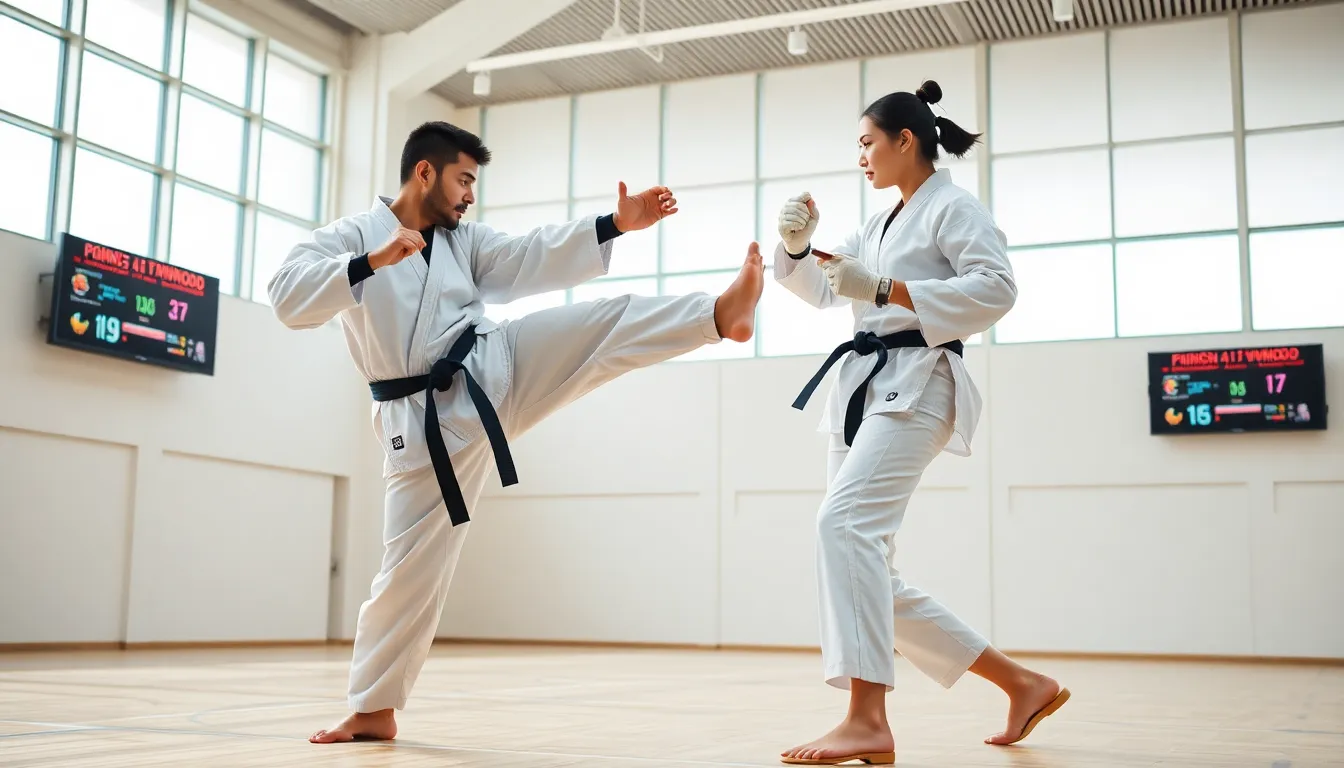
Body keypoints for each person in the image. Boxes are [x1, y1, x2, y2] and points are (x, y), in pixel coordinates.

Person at [267, 120, 764, 744]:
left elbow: (526, 257)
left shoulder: (461, 242)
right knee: (410, 568)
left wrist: (613, 226)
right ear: (426, 172)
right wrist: (372, 262)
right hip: (422, 424)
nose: (470, 195)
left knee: (598, 327)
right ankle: (374, 708)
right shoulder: (349, 237)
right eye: (463, 179)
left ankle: (718, 315)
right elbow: (287, 298)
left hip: (492, 364)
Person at [772, 81, 1067, 765]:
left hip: (920, 384)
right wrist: (796, 247)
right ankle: (1024, 684)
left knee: (842, 528)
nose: (861, 158)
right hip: (863, 388)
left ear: (907, 140)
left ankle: (866, 718)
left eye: (867, 143)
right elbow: (824, 288)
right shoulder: (878, 225)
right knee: (862, 563)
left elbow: (997, 289)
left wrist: (884, 288)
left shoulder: (954, 209)